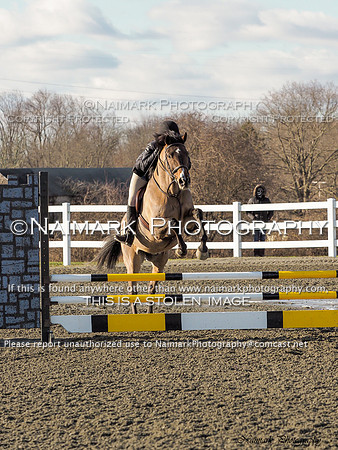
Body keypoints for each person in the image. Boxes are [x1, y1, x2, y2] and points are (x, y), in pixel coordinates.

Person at [116, 120, 188, 246]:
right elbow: (141, 165)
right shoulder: (152, 146)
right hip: (143, 175)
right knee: (133, 198)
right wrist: (157, 153)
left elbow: (186, 163)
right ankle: (129, 232)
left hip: (163, 180)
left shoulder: (176, 147)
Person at [247, 185, 273, 257]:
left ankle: (262, 253)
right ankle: (256, 254)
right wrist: (253, 218)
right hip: (255, 222)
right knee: (256, 237)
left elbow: (271, 210)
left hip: (264, 221)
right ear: (256, 191)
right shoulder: (252, 200)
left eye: (261, 191)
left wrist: (268, 218)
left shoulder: (266, 200)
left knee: (263, 237)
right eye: (258, 191)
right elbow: (248, 211)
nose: (260, 192)